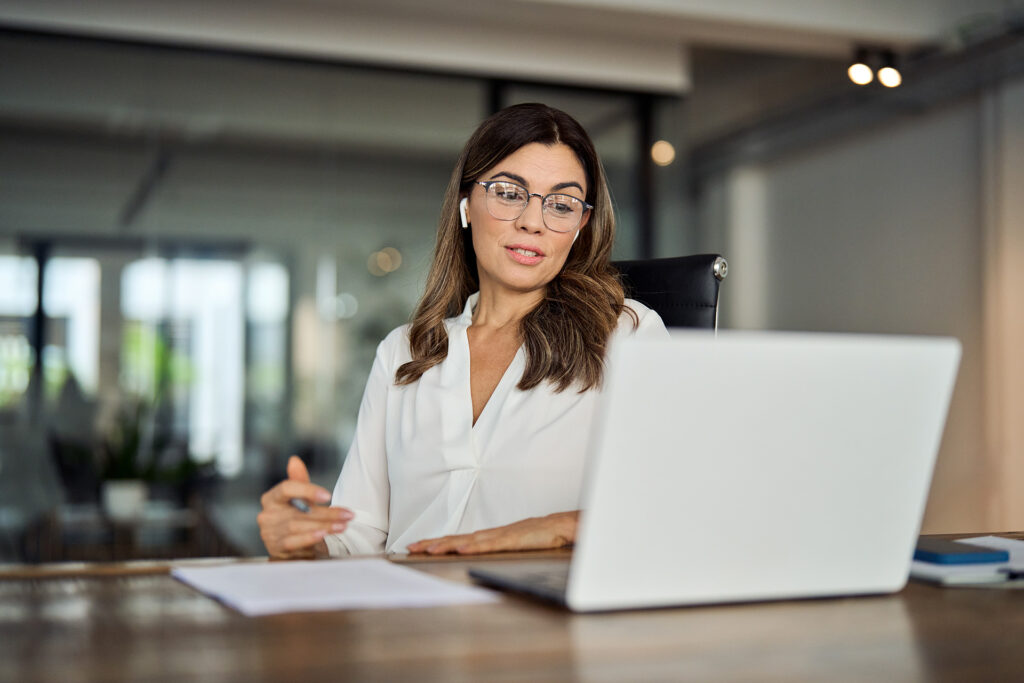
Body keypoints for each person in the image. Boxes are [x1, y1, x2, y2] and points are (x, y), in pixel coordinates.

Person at [258, 103, 667, 559]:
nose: (533, 222)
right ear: (466, 204)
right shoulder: (405, 352)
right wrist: (301, 542)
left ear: (580, 226)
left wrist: (554, 528)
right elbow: (357, 536)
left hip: (545, 622)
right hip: (408, 616)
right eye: (510, 193)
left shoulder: (626, 336)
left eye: (562, 204)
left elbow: (672, 503)